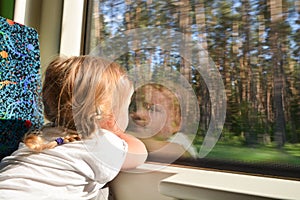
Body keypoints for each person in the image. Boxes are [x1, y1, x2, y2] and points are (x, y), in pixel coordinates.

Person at [0, 56, 148, 200]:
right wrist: (116, 131)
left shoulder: (41, 134)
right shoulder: (102, 143)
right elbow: (140, 153)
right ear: (107, 115)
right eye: (126, 107)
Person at [128, 83, 197, 162]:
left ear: (174, 123)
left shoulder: (179, 141)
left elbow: (179, 152)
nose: (138, 113)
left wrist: (128, 137)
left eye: (152, 109)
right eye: (133, 107)